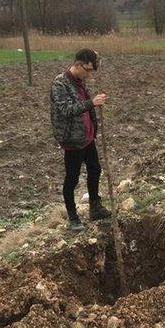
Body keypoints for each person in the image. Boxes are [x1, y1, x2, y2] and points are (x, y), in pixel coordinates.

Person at [50, 48, 111, 232]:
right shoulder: (60, 84)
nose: (90, 75)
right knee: (72, 178)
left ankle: (95, 206)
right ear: (78, 65)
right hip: (72, 140)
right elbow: (67, 110)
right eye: (89, 70)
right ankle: (73, 217)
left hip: (87, 137)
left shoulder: (80, 81)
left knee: (95, 169)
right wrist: (92, 102)